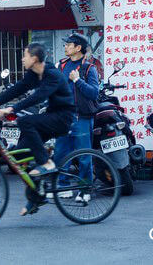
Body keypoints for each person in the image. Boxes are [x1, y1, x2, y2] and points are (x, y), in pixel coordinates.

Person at [0, 43, 75, 216]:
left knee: (25, 121)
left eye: (25, 55)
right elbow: (17, 89)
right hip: (50, 117)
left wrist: (11, 109)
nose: (22, 59)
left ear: (34, 58)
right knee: (18, 156)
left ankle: (47, 163)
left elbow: (38, 97)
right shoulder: (34, 74)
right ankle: (36, 198)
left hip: (63, 118)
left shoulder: (52, 75)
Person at [54, 33, 100, 204]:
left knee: (83, 156)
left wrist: (78, 80)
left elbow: (94, 93)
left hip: (81, 118)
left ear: (78, 48)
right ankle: (64, 186)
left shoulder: (89, 68)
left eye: (69, 44)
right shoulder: (61, 65)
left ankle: (84, 189)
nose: (65, 47)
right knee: (60, 153)